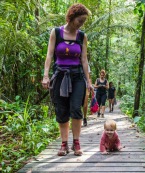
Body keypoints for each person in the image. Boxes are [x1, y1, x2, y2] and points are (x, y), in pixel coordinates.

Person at [42, 3, 91, 156]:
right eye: (79, 21)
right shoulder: (56, 32)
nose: (81, 24)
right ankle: (64, 144)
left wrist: (88, 81)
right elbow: (49, 55)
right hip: (60, 75)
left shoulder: (82, 36)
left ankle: (76, 142)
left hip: (77, 76)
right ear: (71, 17)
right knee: (61, 109)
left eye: (83, 22)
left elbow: (84, 60)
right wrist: (45, 75)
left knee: (76, 108)